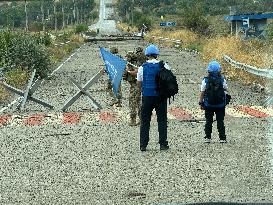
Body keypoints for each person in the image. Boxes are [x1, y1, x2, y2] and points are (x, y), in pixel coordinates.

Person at [136, 44, 169, 151]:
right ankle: (163, 144)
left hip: (147, 97)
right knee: (162, 120)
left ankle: (143, 145)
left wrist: (141, 93)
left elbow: (139, 83)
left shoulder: (142, 68)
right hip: (160, 97)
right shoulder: (164, 66)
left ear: (147, 55)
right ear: (157, 54)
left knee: (145, 121)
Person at [199, 60, 228, 143]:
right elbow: (226, 89)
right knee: (220, 121)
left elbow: (202, 92)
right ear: (219, 70)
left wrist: (201, 103)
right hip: (220, 105)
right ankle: (222, 138)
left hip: (208, 104)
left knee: (208, 121)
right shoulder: (222, 80)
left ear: (209, 71)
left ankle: (208, 137)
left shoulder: (205, 80)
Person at [124, 47, 146, 126]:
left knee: (133, 101)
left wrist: (128, 71)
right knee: (138, 101)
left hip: (136, 84)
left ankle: (133, 119)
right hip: (136, 85)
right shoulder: (131, 63)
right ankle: (142, 119)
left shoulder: (135, 64)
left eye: (128, 57)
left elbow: (136, 72)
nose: (127, 58)